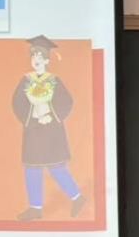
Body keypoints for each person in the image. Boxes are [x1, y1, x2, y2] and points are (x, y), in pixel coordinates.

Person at [11, 35, 86, 220]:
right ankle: (35, 208)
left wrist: (50, 114)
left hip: (52, 131)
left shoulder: (54, 80)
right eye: (33, 56)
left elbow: (66, 102)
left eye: (39, 56)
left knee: (56, 167)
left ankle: (77, 197)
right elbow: (17, 102)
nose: (35, 60)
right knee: (32, 168)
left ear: (46, 60)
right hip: (33, 130)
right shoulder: (26, 80)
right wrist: (32, 114)